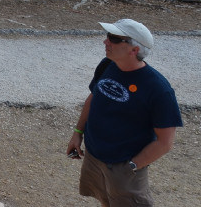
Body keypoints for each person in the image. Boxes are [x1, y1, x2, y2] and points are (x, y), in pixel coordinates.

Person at [66, 19, 182, 207]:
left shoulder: (159, 89)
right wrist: (77, 133)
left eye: (113, 38)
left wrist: (132, 167)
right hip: (95, 157)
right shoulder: (107, 65)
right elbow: (93, 96)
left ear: (134, 50)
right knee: (105, 201)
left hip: (124, 166)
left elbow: (165, 142)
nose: (106, 42)